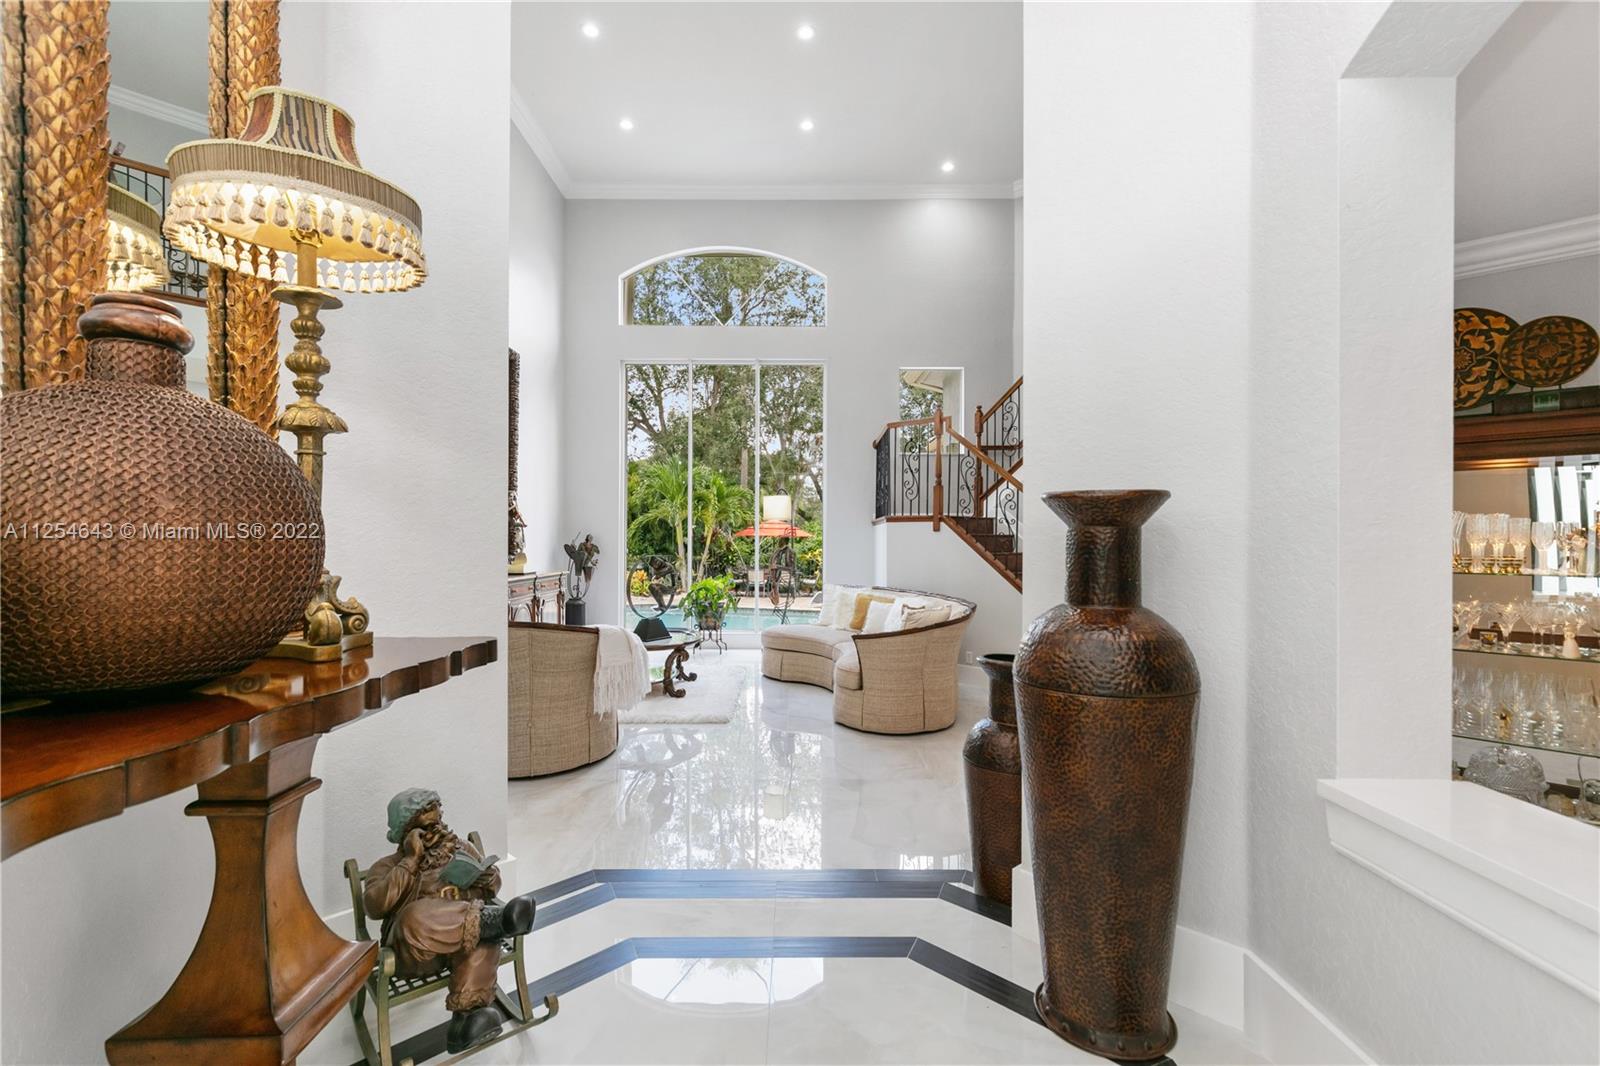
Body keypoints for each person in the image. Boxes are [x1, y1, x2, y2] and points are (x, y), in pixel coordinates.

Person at [362, 788, 535, 1053]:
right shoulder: (387, 866)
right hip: (418, 953)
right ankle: (496, 921)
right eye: (427, 824)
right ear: (407, 831)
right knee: (414, 917)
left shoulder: (461, 848)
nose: (438, 826)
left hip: (460, 943)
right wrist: (411, 860)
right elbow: (374, 906)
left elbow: (494, 883)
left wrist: (487, 877)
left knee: (481, 934)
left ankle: (467, 1021)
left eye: (439, 817)